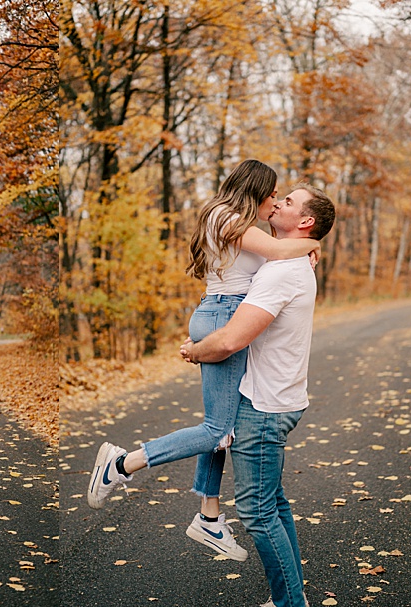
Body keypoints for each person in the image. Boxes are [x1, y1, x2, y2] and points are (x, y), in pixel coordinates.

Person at [87, 160, 320, 561]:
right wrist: (312, 244)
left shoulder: (234, 221)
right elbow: (281, 250)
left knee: (224, 426)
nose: (273, 201)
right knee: (217, 429)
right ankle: (121, 464)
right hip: (225, 311)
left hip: (223, 309)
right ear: (254, 189)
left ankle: (209, 516)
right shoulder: (224, 216)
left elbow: (271, 260)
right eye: (271, 194)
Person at [180, 184, 336, 607]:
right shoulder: (286, 259)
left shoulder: (283, 269)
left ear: (304, 221)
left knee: (257, 511)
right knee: (273, 503)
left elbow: (231, 339)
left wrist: (195, 350)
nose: (278, 202)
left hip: (265, 405)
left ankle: (291, 603)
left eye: (289, 202)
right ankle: (290, 597)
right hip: (277, 397)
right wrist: (310, 244)